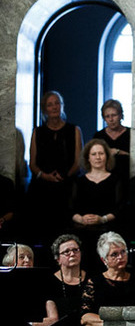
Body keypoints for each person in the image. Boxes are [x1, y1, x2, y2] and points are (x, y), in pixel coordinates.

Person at [28, 91, 83, 244]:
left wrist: (63, 177)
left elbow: (79, 162)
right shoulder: (37, 132)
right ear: (44, 109)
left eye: (57, 103)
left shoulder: (74, 130)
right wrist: (45, 176)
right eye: (50, 104)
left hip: (66, 186)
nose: (54, 107)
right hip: (42, 187)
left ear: (62, 106)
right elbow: (32, 163)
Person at [69, 139, 124, 270]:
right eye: (94, 154)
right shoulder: (78, 181)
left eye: (101, 153)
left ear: (107, 156)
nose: (98, 157)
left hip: (108, 231)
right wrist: (81, 219)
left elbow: (121, 207)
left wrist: (103, 219)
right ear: (88, 157)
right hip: (82, 233)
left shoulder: (116, 180)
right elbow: (70, 209)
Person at [79, 231, 135, 326]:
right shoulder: (95, 283)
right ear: (104, 260)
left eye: (123, 252)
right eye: (114, 254)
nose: (121, 257)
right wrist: (116, 325)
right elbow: (85, 318)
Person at [40, 234, 90, 326]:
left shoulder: (91, 279)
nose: (72, 254)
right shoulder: (49, 282)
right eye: (66, 252)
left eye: (75, 250)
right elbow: (52, 318)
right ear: (58, 259)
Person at [92, 100, 130, 181]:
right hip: (104, 180)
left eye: (114, 115)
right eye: (107, 116)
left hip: (128, 178)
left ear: (120, 115)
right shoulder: (98, 136)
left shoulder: (130, 134)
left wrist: (117, 152)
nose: (111, 119)